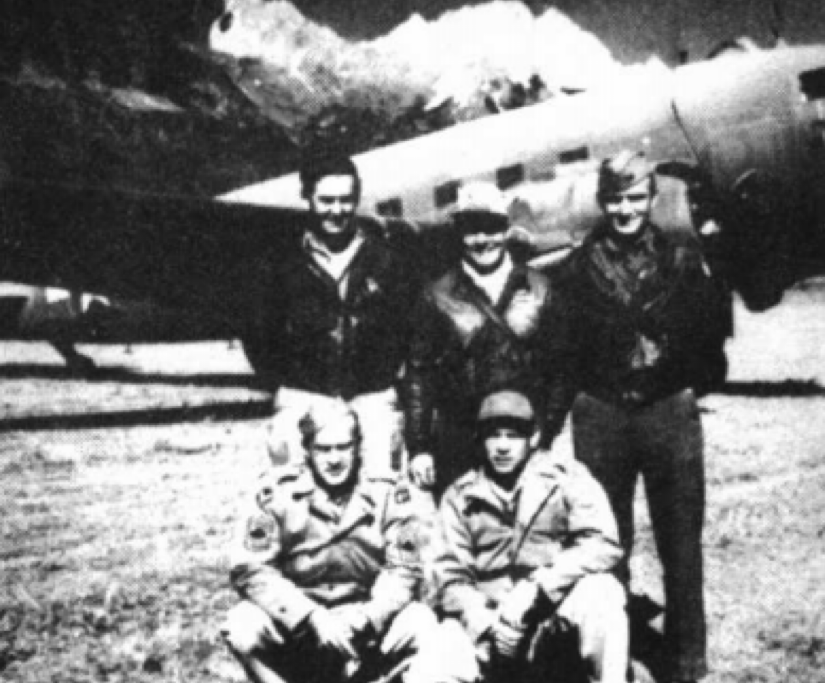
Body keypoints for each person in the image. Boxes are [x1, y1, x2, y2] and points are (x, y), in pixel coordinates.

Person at [557, 150, 723, 682]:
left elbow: (709, 335)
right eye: (615, 199)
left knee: (681, 538)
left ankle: (686, 659)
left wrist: (681, 387)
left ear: (652, 199)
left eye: (635, 198)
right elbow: (564, 346)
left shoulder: (682, 260)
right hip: (601, 411)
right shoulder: (576, 268)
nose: (625, 209)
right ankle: (616, 656)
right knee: (607, 539)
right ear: (601, 202)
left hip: (668, 409)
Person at [221, 399, 468, 683]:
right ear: (307, 450)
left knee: (421, 622)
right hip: (299, 625)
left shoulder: (386, 492)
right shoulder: (276, 494)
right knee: (242, 625)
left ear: (357, 448)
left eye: (343, 447)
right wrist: (311, 617)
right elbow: (250, 568)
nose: (334, 459)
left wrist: (368, 617)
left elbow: (404, 567)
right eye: (323, 449)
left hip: (367, 621)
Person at [433, 387, 628, 683]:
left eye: (513, 436)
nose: (502, 447)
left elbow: (603, 543)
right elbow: (448, 578)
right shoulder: (459, 497)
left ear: (533, 438)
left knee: (603, 591)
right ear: (479, 440)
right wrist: (487, 625)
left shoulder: (565, 478)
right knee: (437, 653)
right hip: (488, 628)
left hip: (549, 621)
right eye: (493, 436)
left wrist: (537, 587)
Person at [256, 145, 423, 475]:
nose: (337, 210)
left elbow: (411, 333)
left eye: (346, 200)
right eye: (326, 200)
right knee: (293, 492)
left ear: (357, 199)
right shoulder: (281, 264)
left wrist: (385, 384)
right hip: (302, 397)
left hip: (373, 398)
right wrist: (292, 385)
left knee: (380, 488)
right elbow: (261, 334)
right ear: (307, 197)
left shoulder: (388, 262)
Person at [402, 182, 573, 496]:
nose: (481, 240)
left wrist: (546, 433)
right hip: (460, 440)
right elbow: (419, 374)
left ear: (506, 228)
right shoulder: (435, 296)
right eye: (471, 229)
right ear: (458, 232)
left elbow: (561, 369)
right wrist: (419, 447)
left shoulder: (541, 289)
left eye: (491, 227)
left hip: (522, 435)